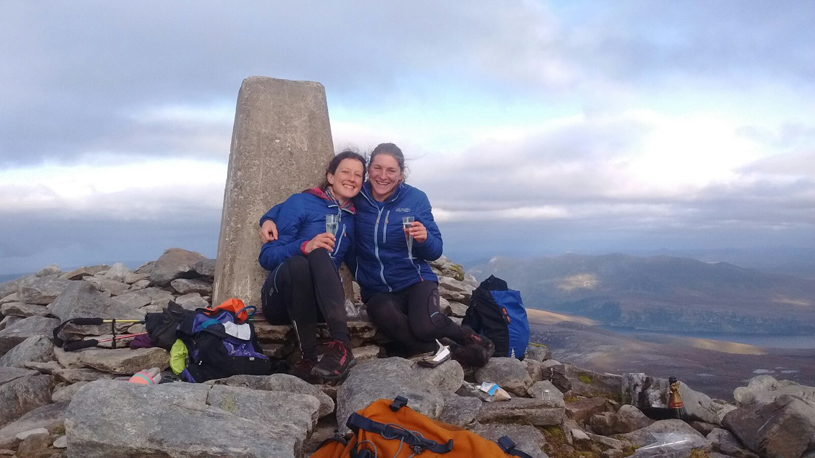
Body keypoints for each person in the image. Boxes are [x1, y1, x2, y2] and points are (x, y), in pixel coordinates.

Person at [261, 143, 493, 367]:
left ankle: (469, 343)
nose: (383, 176)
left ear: (401, 175)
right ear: (367, 172)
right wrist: (269, 218)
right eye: (377, 168)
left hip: (413, 279)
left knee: (425, 325)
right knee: (382, 312)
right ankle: (447, 353)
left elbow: (435, 250)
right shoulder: (354, 196)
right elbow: (302, 203)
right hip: (375, 289)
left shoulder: (408, 200)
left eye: (391, 170)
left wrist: (424, 239)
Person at [257, 150, 365, 383]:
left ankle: (340, 350)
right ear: (330, 177)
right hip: (280, 299)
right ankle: (311, 355)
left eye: (358, 175)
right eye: (345, 172)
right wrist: (304, 245)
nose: (351, 178)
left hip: (319, 303)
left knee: (318, 256)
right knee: (304, 259)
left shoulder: (354, 217)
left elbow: (358, 263)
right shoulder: (302, 203)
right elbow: (267, 256)